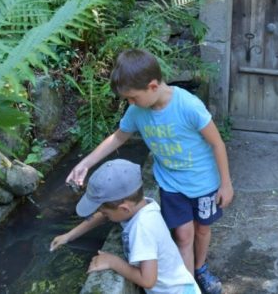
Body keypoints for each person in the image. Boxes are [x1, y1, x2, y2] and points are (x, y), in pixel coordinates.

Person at [66, 49, 234, 294]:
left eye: (133, 97)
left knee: (202, 229)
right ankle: (186, 285)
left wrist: (225, 183)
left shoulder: (189, 106)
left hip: (203, 183)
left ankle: (201, 268)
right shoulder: (136, 111)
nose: (129, 103)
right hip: (171, 183)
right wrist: (85, 163)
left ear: (153, 86)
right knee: (183, 235)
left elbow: (217, 143)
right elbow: (118, 138)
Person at [50, 159, 201, 294]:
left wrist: (112, 261)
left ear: (124, 209)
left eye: (105, 211)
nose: (102, 214)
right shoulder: (142, 206)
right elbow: (102, 216)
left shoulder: (142, 228)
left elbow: (148, 281)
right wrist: (69, 236)